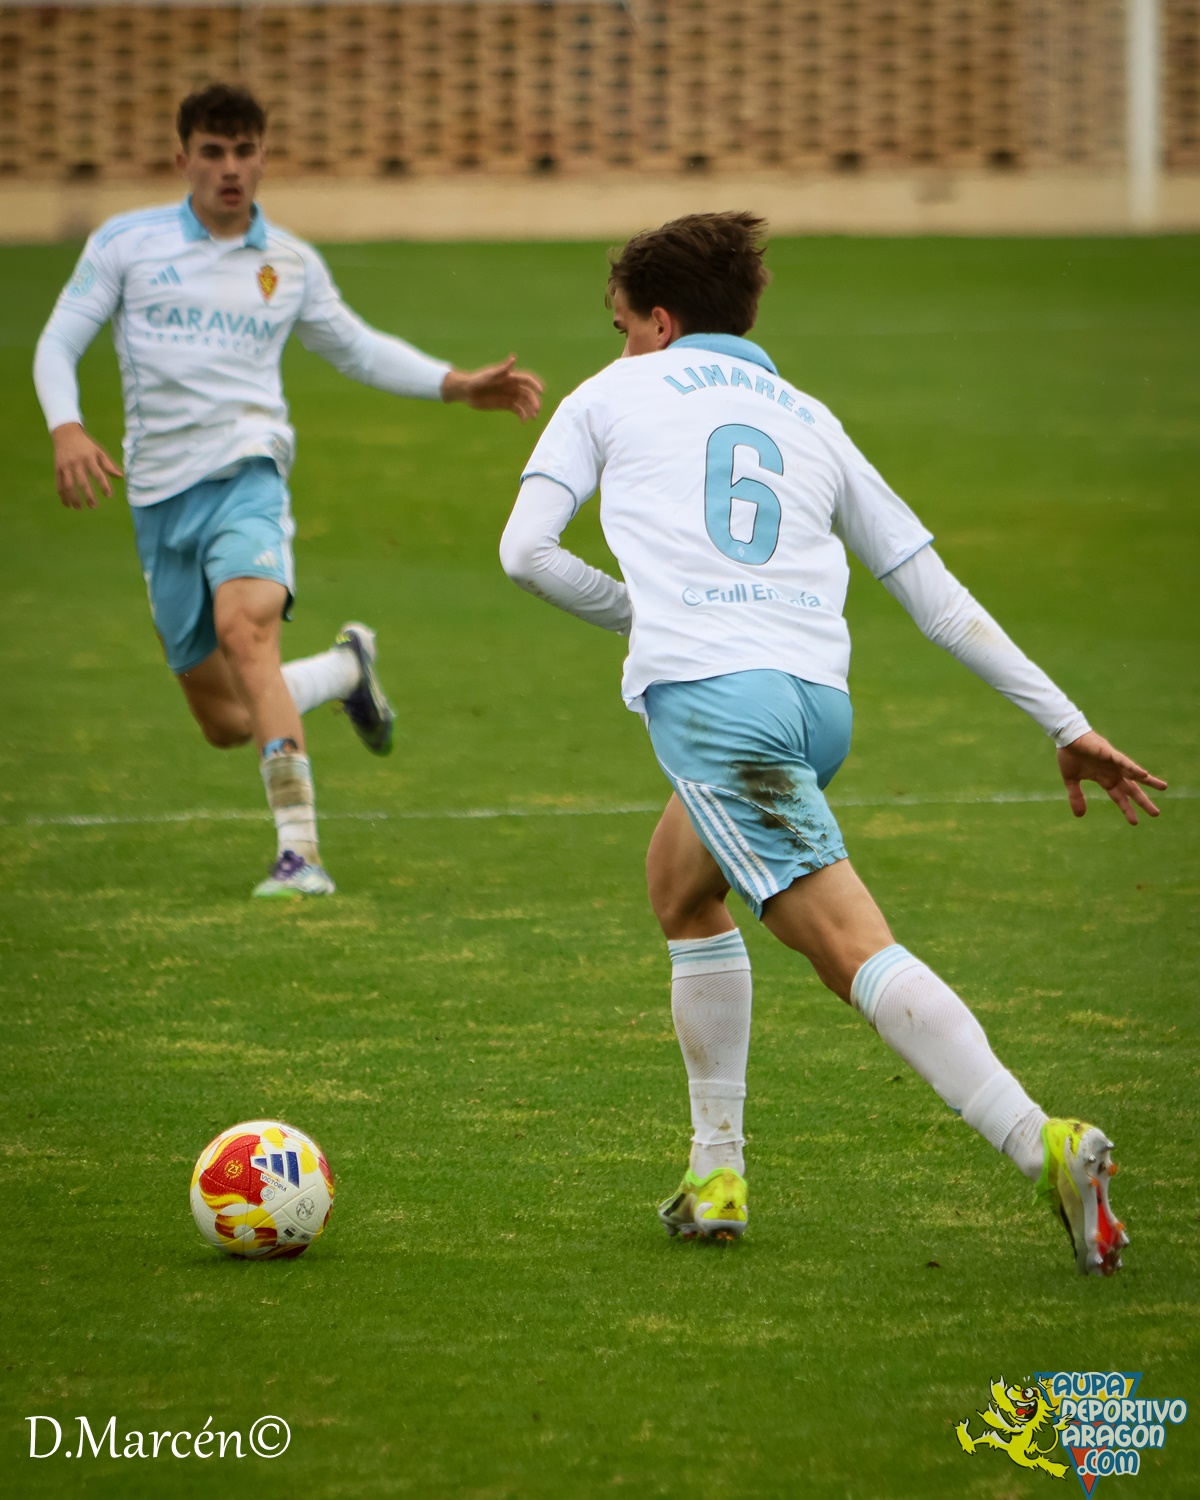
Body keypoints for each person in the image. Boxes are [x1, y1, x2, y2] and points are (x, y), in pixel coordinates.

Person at [500, 212, 1166, 1274]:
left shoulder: (607, 395)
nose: (620, 345)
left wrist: (648, 615)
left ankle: (1041, 1141)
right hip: (817, 706)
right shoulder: (809, 416)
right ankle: (716, 1172)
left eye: (622, 327)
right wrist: (1066, 722)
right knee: (681, 887)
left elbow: (526, 552)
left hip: (723, 709)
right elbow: (934, 596)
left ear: (659, 323)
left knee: (850, 948)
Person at [34, 82, 543, 898]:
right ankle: (345, 671)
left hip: (250, 475)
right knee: (226, 719)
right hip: (159, 498)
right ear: (183, 158)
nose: (230, 169)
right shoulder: (126, 244)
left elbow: (357, 348)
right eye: (213, 152)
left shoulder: (290, 263)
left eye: (244, 152)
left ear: (263, 157)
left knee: (246, 633)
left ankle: (299, 855)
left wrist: (456, 385)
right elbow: (59, 342)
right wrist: (66, 426)